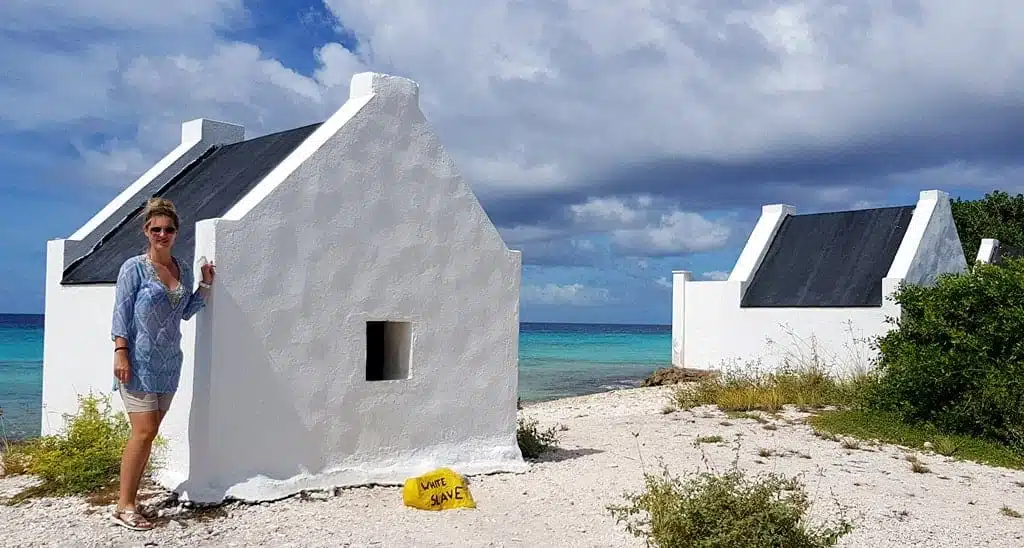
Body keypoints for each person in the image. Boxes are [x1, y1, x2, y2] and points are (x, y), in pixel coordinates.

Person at [109, 197, 215, 531]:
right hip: (137, 362)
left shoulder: (180, 267)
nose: (162, 234)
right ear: (146, 231)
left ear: (176, 232)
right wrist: (120, 351)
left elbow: (184, 311)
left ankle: (132, 499)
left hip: (169, 363)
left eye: (168, 229)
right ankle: (123, 505)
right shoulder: (133, 268)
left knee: (150, 433)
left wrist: (205, 285)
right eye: (156, 229)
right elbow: (121, 313)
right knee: (142, 432)